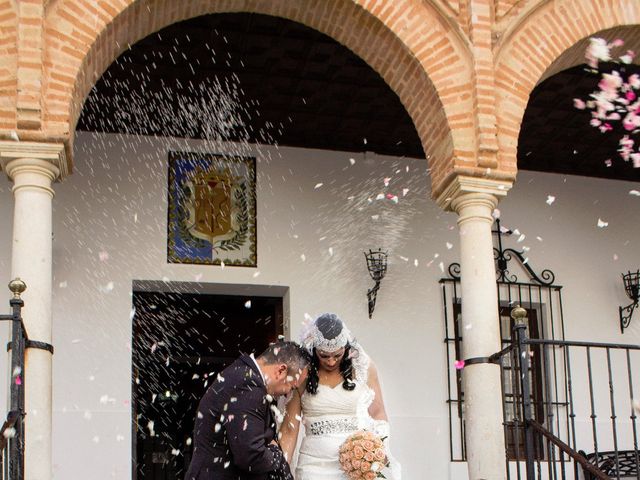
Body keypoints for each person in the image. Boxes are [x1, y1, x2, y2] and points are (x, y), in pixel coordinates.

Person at [278, 313, 401, 479]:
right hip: (313, 467)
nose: (331, 361)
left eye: (337, 355)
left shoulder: (363, 367)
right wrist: (280, 468)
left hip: (355, 466)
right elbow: (289, 429)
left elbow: (378, 412)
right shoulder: (301, 374)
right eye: (324, 355)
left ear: (346, 348)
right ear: (314, 349)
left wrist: (377, 450)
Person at [185, 341, 310, 480]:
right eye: (291, 387)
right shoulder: (248, 386)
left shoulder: (242, 374)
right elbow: (251, 456)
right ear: (281, 371)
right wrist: (276, 455)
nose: (287, 393)